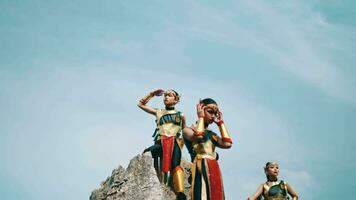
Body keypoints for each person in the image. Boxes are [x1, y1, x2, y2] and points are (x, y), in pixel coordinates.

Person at [138, 89, 187, 200]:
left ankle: (180, 193)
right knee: (148, 153)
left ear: (176, 100)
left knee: (176, 165)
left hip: (175, 143)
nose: (166, 97)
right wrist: (151, 94)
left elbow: (185, 132)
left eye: (169, 96)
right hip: (161, 142)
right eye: (165, 95)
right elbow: (140, 104)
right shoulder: (158, 112)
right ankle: (155, 181)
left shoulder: (181, 115)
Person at [183, 98, 233, 200]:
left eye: (215, 113)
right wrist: (201, 117)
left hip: (213, 165)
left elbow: (227, 144)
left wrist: (220, 123)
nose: (213, 116)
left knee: (216, 192)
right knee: (202, 192)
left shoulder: (212, 135)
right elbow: (199, 136)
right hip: (199, 164)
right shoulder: (187, 130)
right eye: (210, 112)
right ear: (201, 109)